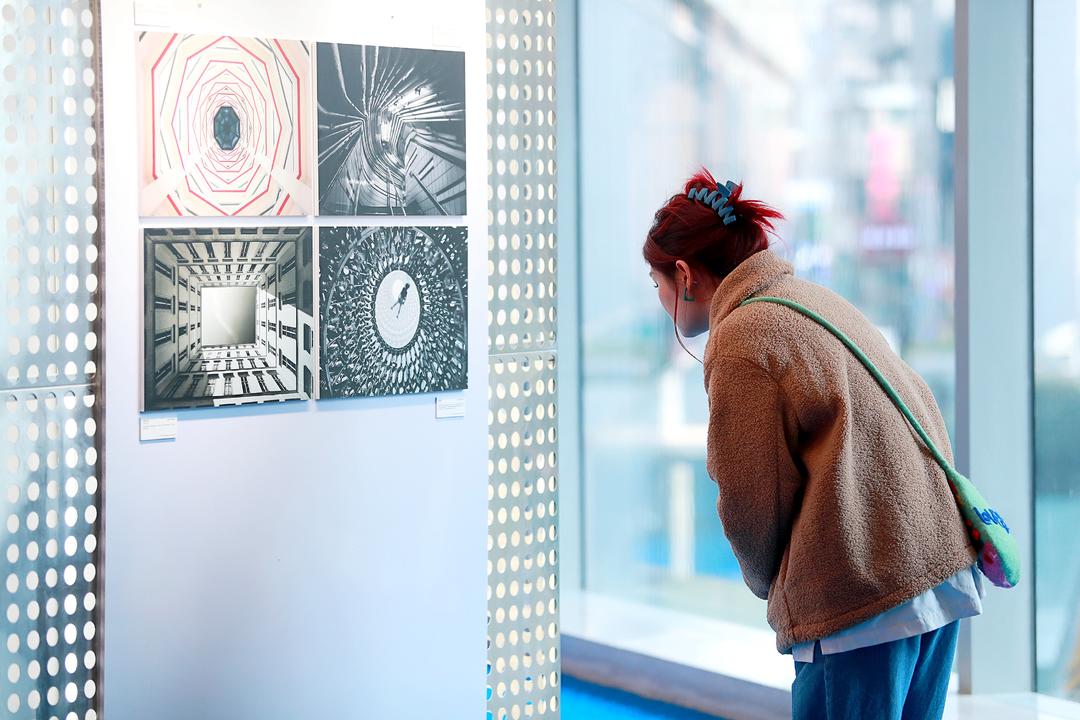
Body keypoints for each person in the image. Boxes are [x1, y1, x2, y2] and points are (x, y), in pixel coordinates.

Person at [643, 169, 984, 720]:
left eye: (656, 283)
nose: (659, 298)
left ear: (683, 274)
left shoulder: (742, 338)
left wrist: (771, 583)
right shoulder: (809, 299)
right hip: (936, 570)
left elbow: (750, 500)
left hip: (863, 595)